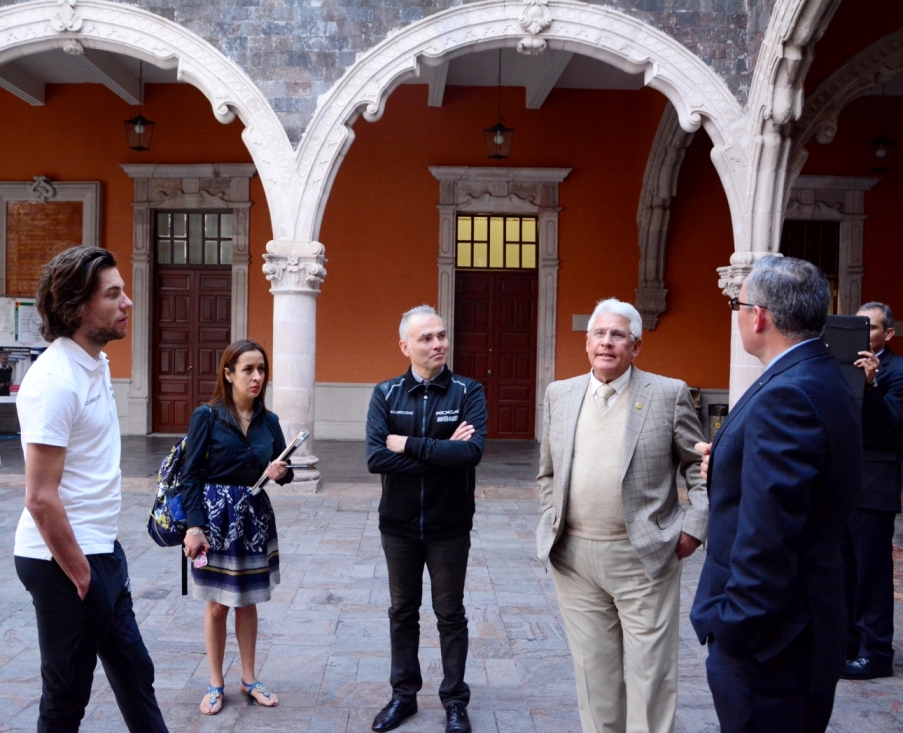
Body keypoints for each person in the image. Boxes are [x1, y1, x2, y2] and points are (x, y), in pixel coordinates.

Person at [690, 256, 862, 733]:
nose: (737, 314)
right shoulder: (822, 375)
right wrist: (728, 466)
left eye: (737, 305)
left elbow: (769, 535)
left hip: (773, 643)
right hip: (800, 627)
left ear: (759, 315)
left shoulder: (788, 394)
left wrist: (735, 627)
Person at [13, 246, 169, 732]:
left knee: (136, 675)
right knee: (66, 700)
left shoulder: (93, 364)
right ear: (77, 307)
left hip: (101, 551)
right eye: (113, 294)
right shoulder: (54, 381)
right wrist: (82, 574)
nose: (128, 302)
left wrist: (101, 564)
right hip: (62, 561)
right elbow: (39, 496)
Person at [535, 298, 707, 733]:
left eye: (618, 335)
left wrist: (694, 526)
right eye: (599, 333)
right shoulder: (560, 394)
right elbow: (548, 471)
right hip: (574, 558)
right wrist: (551, 515)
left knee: (651, 673)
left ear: (636, 346)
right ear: (587, 342)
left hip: (644, 556)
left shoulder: (667, 394)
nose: (606, 342)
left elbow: (700, 467)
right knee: (594, 674)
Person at [366, 305, 487, 733]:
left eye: (441, 335)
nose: (438, 344)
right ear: (406, 347)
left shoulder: (468, 392)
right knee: (402, 611)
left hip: (449, 525)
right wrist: (440, 451)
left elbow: (470, 453)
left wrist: (408, 444)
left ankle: (454, 700)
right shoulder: (385, 394)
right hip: (398, 526)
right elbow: (376, 458)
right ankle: (404, 696)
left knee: (450, 613)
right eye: (426, 338)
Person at [181, 339, 294, 715]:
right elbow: (190, 475)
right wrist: (194, 527)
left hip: (254, 520)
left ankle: (249, 679)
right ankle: (215, 682)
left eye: (261, 369)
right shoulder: (207, 417)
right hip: (215, 520)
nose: (257, 376)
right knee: (217, 605)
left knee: (247, 601)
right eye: (248, 369)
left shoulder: (269, 422)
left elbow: (285, 471)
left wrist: (280, 472)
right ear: (228, 374)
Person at [841, 302, 903, 680]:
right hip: (841, 483)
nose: (864, 334)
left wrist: (870, 385)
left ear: (888, 334)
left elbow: (890, 429)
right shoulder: (842, 365)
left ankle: (876, 652)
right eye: (859, 326)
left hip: (875, 485)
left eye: (872, 328)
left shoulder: (898, 372)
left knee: (872, 574)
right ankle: (849, 643)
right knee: (844, 570)